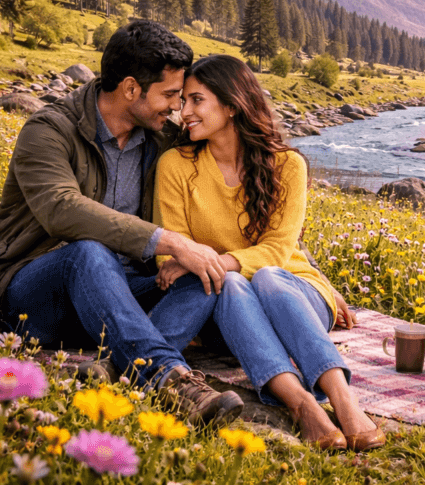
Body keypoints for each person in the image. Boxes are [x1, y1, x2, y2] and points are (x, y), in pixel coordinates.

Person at [0, 20, 243, 427]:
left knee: (206, 273)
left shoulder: (162, 141)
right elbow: (61, 208)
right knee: (88, 253)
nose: (178, 107)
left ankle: (119, 367)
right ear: (130, 89)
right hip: (32, 295)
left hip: (117, 301)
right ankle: (169, 379)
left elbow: (235, 188)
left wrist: (305, 266)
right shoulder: (50, 130)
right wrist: (170, 241)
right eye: (170, 95)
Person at [154, 54, 385, 451]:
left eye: (196, 100)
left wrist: (217, 260)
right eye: (183, 101)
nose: (183, 111)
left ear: (231, 104)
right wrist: (213, 266)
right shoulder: (175, 166)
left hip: (294, 291)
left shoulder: (287, 165)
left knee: (266, 276)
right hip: (228, 307)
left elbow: (278, 252)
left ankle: (344, 400)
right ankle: (302, 406)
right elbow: (170, 258)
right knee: (234, 283)